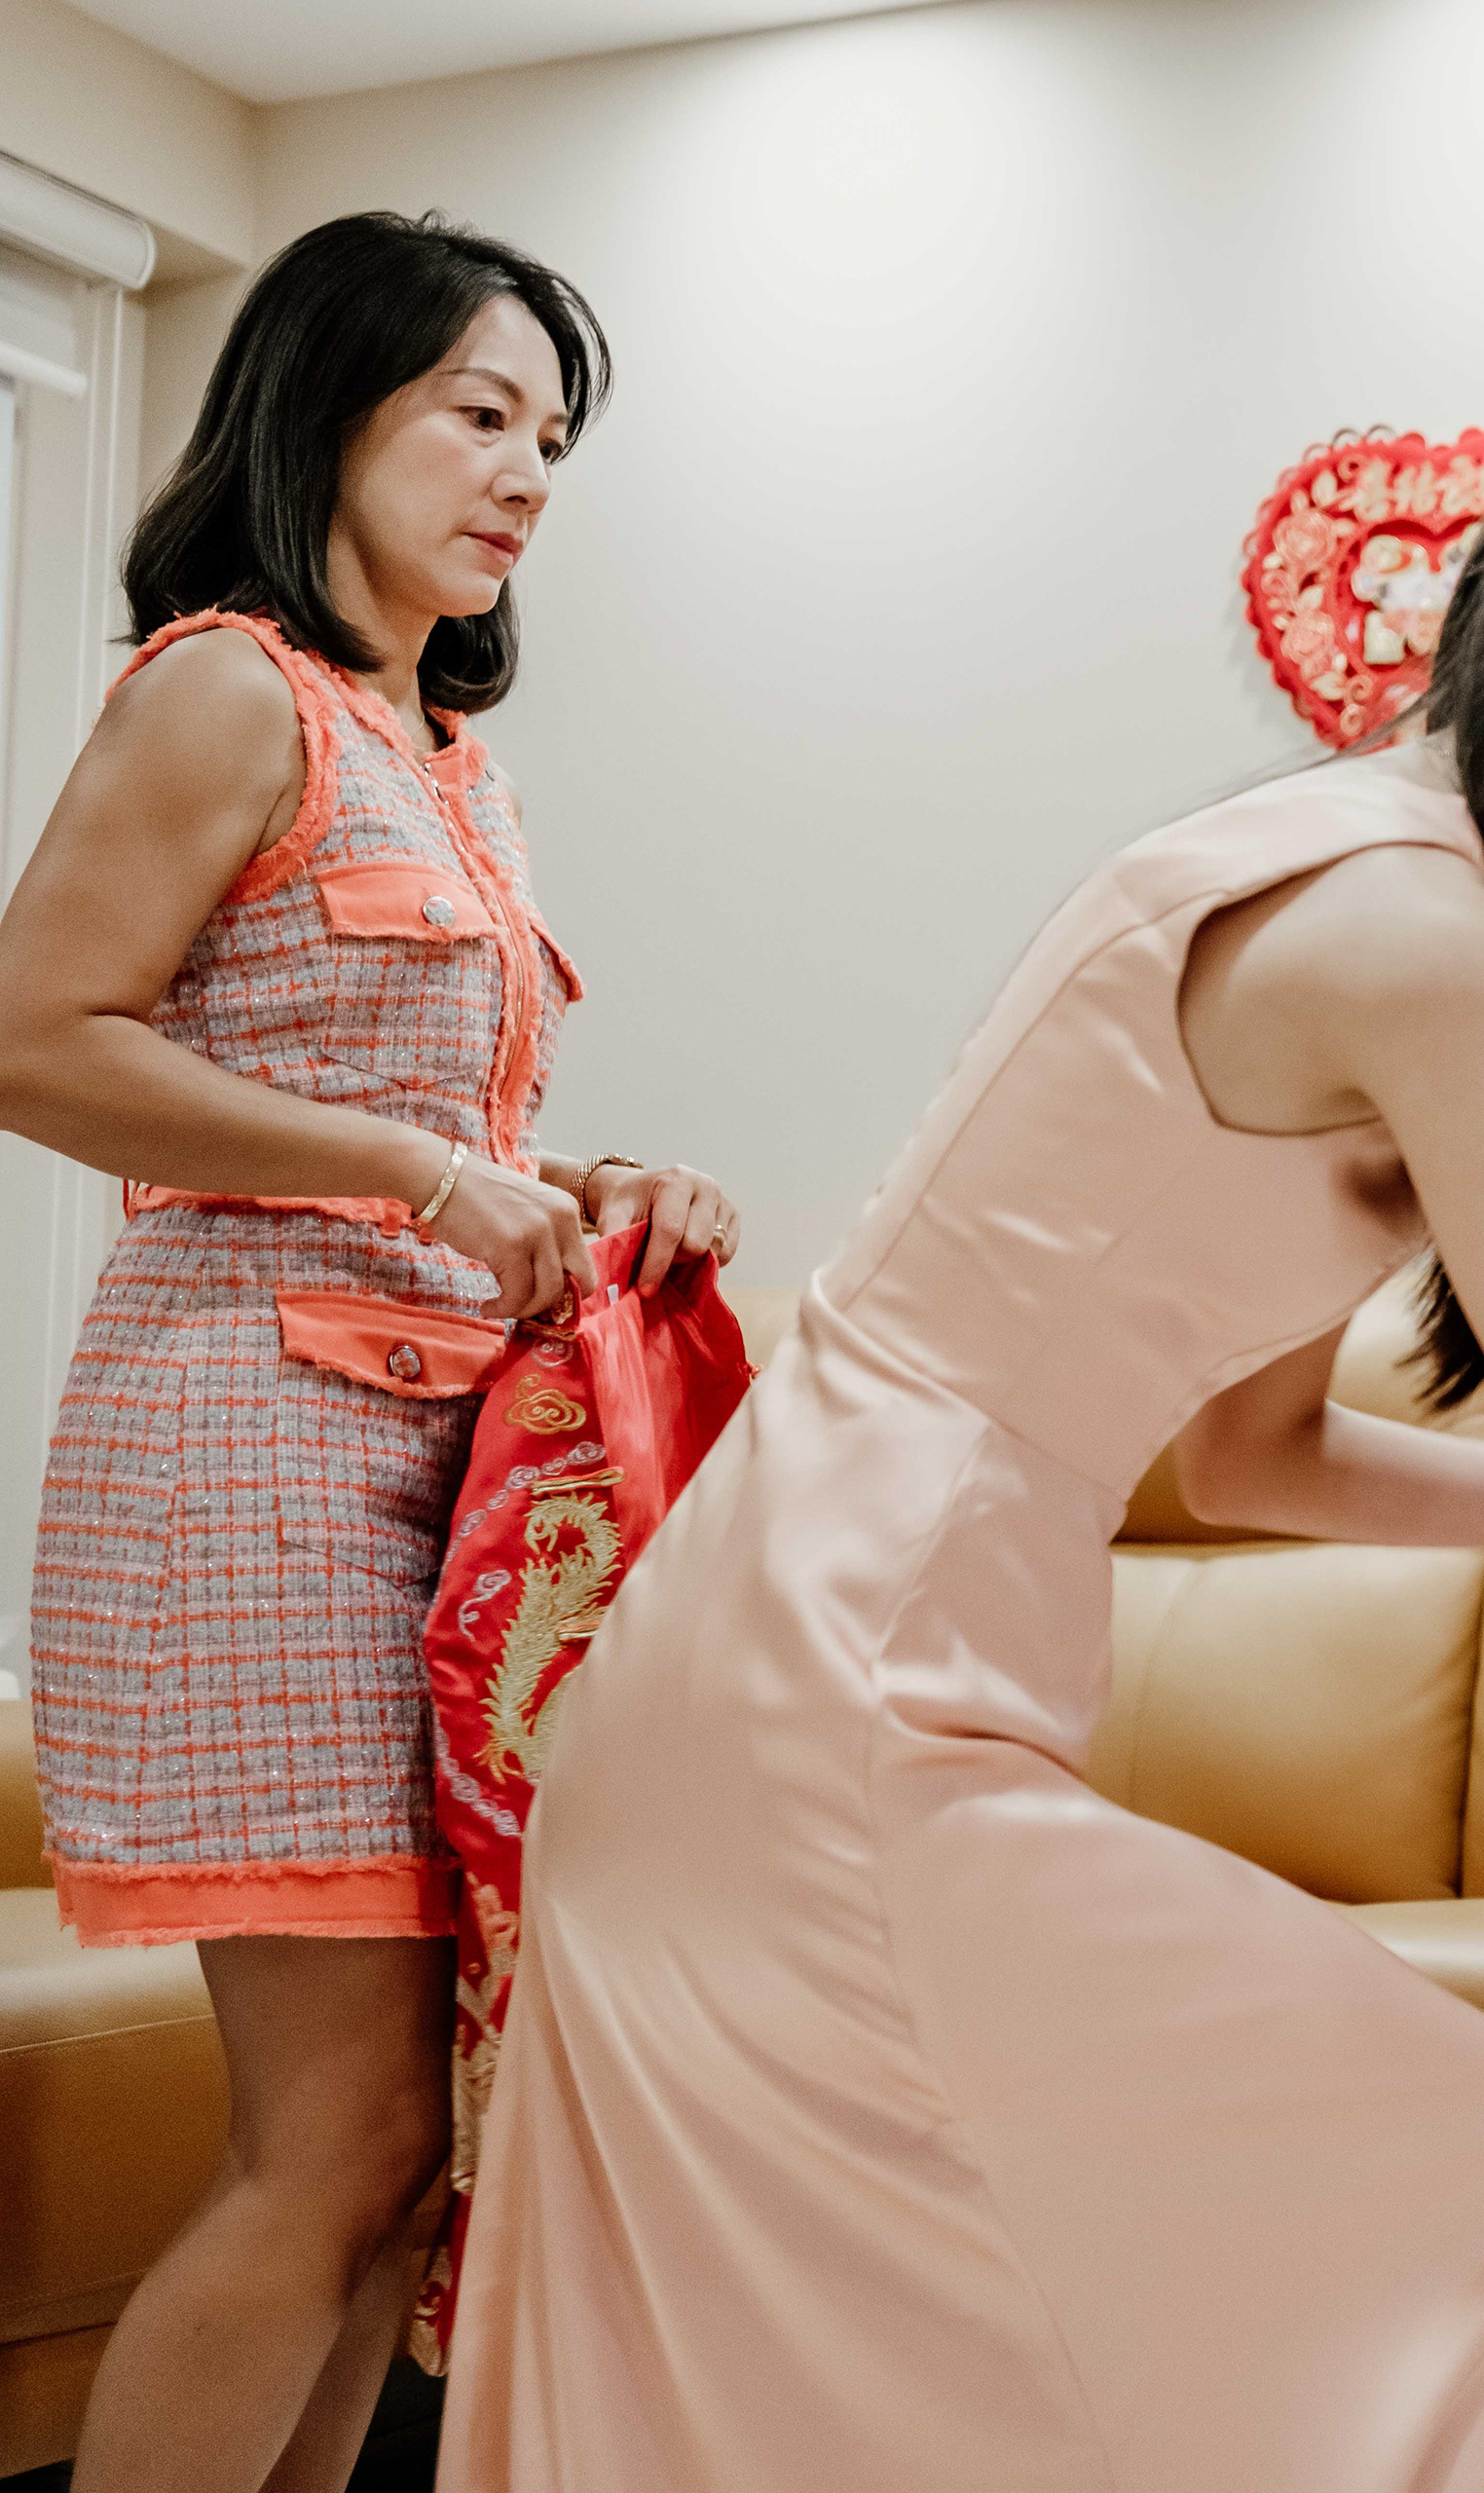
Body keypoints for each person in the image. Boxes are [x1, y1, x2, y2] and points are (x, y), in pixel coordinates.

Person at [436, 356, 1484, 2493]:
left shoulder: (1335, 856)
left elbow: (1256, 1460)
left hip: (777, 1660)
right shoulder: (1432, 949)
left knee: (921, 2388)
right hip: (843, 1703)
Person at [0, 211, 735, 2492]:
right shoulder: (225, 687)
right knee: (338, 2138)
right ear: (328, 410)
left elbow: (393, 1109)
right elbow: (36, 1035)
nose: (528, 473)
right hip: (249, 1469)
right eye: (479, 412)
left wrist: (575, 1183)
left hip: (426, 1483)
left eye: (554, 436)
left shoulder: (447, 757)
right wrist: (428, 1178)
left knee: (409, 2156)